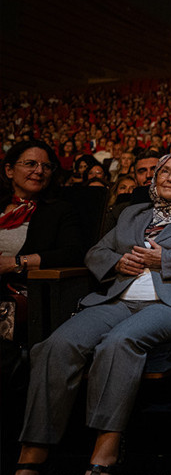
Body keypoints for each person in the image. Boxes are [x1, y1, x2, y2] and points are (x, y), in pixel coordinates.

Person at [0, 153, 171, 475]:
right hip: (115, 299)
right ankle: (34, 453)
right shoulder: (131, 213)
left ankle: (104, 453)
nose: (170, 178)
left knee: (119, 342)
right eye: (164, 171)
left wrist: (163, 259)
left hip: (170, 305)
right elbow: (96, 251)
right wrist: (117, 262)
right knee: (55, 344)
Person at [0, 141, 84, 343]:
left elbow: (73, 253)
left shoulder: (58, 211)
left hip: (21, 288)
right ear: (10, 170)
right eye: (31, 164)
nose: (39, 171)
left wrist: (15, 263)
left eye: (46, 166)